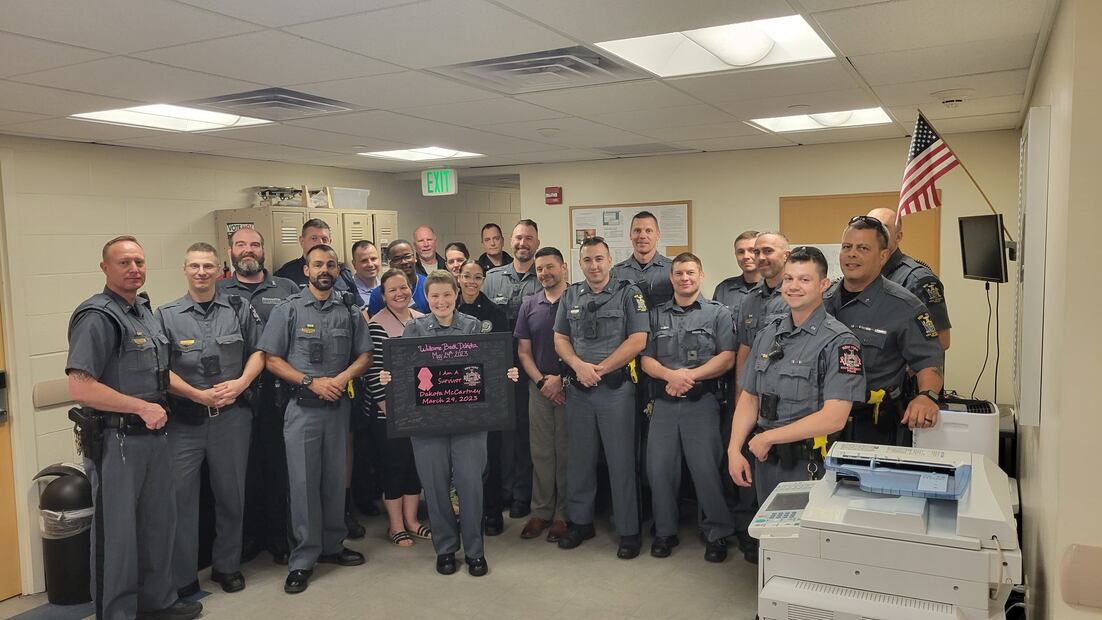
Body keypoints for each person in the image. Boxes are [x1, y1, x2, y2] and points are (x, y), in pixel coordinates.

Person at [66, 236, 202, 620]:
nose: (133, 269)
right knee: (118, 536)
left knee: (159, 525)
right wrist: (141, 407)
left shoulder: (142, 311)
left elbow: (160, 374)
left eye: (139, 262)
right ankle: (117, 613)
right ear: (105, 268)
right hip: (117, 441)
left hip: (155, 437)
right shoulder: (97, 316)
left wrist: (199, 395)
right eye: (124, 262)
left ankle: (158, 602)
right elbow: (80, 387)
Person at [378, 271, 520, 577]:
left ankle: (475, 551)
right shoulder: (414, 329)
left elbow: (486, 368)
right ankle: (445, 549)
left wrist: (505, 374)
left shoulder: (473, 326)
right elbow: (405, 372)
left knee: (471, 486)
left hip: (470, 419)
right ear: (426, 298)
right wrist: (390, 376)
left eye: (446, 294)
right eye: (435, 296)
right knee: (435, 486)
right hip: (427, 423)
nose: (441, 301)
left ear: (456, 294)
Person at [257, 244, 373, 594]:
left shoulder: (349, 310)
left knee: (335, 480)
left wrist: (341, 378)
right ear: (306, 270)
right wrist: (311, 382)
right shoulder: (289, 309)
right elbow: (271, 359)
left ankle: (333, 545)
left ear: (338, 270)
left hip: (337, 407)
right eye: (318, 264)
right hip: (302, 408)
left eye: (331, 265)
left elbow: (365, 355)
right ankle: (303, 558)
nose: (325, 270)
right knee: (303, 483)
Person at [158, 243, 265, 596]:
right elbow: (160, 369)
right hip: (185, 422)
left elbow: (259, 352)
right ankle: (183, 576)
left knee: (231, 496)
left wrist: (241, 383)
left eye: (207, 266)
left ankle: (227, 566)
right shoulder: (166, 315)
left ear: (219, 270)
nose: (201, 272)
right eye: (194, 266)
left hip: (231, 420)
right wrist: (195, 394)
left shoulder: (238, 307)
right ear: (184, 269)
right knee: (180, 500)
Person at [728, 246, 866, 504]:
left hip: (810, 465)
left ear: (823, 284)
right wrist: (734, 449)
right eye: (789, 278)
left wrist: (768, 437)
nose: (794, 286)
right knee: (767, 529)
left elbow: (834, 418)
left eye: (804, 279)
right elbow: (750, 397)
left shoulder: (839, 341)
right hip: (766, 462)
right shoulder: (768, 334)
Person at [554, 237, 649, 559]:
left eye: (599, 259)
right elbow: (560, 338)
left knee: (622, 462)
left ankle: (628, 530)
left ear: (610, 261)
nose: (593, 265)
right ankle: (581, 522)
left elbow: (638, 340)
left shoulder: (628, 293)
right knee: (579, 461)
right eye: (587, 260)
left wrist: (601, 369)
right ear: (580, 263)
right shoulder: (570, 295)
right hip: (579, 391)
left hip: (615, 391)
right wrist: (578, 366)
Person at [641, 252, 736, 562]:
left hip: (702, 403)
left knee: (706, 470)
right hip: (664, 403)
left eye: (690, 272)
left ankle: (717, 532)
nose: (685, 278)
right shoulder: (655, 315)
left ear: (701, 275)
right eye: (679, 273)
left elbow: (727, 358)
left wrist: (688, 377)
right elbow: (646, 359)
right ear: (671, 277)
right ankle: (664, 531)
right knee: (659, 470)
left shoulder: (718, 313)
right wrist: (670, 376)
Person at [823, 216, 945, 446]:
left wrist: (927, 396)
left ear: (883, 256)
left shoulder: (905, 306)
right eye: (847, 247)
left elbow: (929, 363)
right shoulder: (822, 300)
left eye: (863, 248)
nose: (852, 254)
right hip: (820, 422)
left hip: (872, 427)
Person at [219, 227, 301, 565]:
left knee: (279, 467)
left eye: (254, 244)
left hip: (280, 393)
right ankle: (249, 538)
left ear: (263, 250)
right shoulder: (219, 290)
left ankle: (279, 537)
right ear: (230, 251)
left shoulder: (286, 288)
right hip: (236, 396)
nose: (248, 250)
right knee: (244, 471)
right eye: (240, 245)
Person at [362, 269, 430, 547]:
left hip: (420, 410)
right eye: (392, 290)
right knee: (394, 466)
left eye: (403, 287)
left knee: (414, 465)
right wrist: (392, 413)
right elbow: (373, 374)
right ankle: (396, 525)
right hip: (387, 412)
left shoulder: (423, 320)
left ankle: (412, 521)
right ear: (383, 295)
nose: (400, 293)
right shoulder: (376, 325)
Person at [481, 219, 542, 518]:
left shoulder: (542, 276)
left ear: (537, 243)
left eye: (528, 238)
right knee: (498, 432)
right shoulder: (492, 279)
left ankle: (521, 493)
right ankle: (501, 491)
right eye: (518, 237)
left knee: (524, 432)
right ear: (511, 240)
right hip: (497, 367)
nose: (522, 243)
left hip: (530, 364)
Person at [514, 247, 570, 543]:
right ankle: (541, 510)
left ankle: (564, 514)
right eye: (539, 269)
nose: (545, 273)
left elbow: (585, 346)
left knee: (567, 452)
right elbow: (524, 352)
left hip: (571, 387)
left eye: (550, 267)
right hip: (539, 388)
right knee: (541, 452)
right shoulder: (529, 304)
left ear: (563, 267)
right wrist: (541, 382)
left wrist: (562, 380)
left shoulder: (576, 299)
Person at [455, 260, 510, 535]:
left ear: (483, 281)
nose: (472, 282)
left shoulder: (494, 313)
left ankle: (492, 511)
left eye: (478, 277)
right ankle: (463, 513)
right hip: (454, 393)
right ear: (458, 277)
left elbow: (501, 354)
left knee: (490, 456)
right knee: (460, 459)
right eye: (467, 276)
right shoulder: (448, 307)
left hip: (486, 394)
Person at [868, 207, 952, 349]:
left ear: (898, 236)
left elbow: (941, 341)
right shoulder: (866, 275)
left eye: (883, 228)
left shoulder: (918, 280)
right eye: (870, 227)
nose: (875, 234)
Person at [734, 232, 792, 396]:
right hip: (754, 390)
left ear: (786, 255)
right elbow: (745, 350)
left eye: (768, 251)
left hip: (787, 390)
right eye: (757, 252)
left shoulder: (797, 295)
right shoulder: (749, 299)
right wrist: (740, 395)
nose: (760, 257)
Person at [273, 219, 357, 298]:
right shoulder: (287, 273)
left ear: (330, 242)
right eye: (314, 238)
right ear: (302, 241)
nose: (320, 243)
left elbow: (356, 302)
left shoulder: (343, 273)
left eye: (324, 239)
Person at [610, 210, 673, 308]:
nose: (642, 236)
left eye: (648, 231)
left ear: (657, 235)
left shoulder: (672, 270)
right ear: (630, 235)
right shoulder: (617, 273)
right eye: (637, 231)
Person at [366, 239, 429, 316]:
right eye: (397, 259)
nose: (404, 262)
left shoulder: (428, 285)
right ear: (390, 264)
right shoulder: (378, 294)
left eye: (407, 256)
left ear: (415, 258)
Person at [712, 230, 761, 318]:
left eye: (752, 251)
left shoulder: (774, 288)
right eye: (741, 252)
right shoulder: (724, 289)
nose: (746, 256)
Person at [350, 240, 382, 305]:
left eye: (373, 259)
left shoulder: (387, 287)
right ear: (354, 264)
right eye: (364, 261)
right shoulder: (348, 292)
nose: (370, 264)